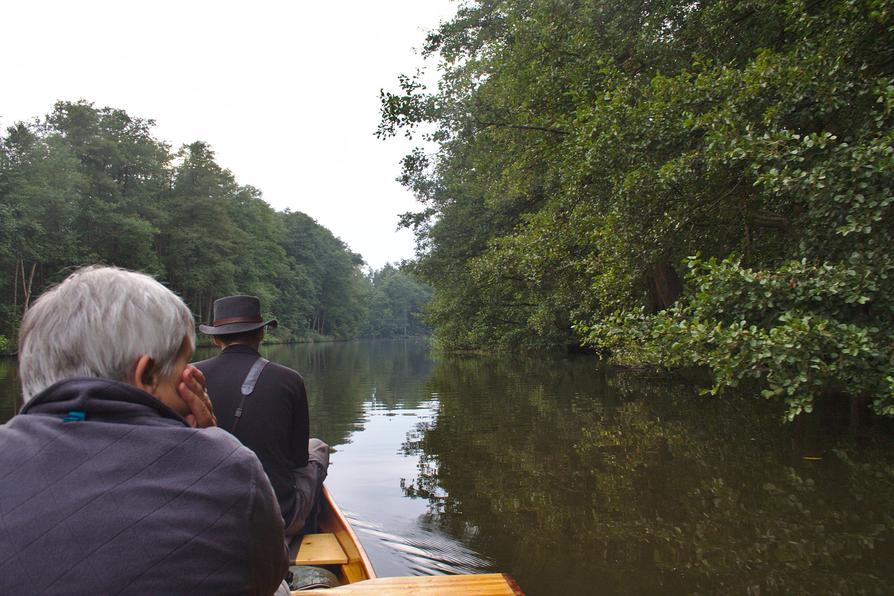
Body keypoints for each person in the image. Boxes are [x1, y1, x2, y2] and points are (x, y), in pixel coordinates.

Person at [0, 266, 288, 595]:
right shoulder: (230, 467)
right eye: (183, 366)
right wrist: (213, 443)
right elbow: (268, 574)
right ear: (147, 376)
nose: (193, 378)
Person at [194, 295, 329, 538]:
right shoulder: (289, 379)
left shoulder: (190, 377)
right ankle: (304, 533)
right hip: (277, 515)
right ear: (261, 334)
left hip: (208, 512)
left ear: (215, 339)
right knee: (317, 447)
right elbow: (298, 460)